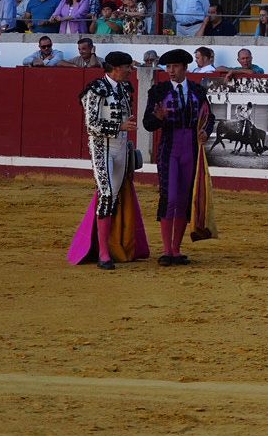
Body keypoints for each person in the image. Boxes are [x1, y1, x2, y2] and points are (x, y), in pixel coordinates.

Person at [66, 52, 148, 270]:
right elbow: (91, 125)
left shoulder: (124, 88)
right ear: (115, 68)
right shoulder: (95, 89)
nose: (130, 70)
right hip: (102, 147)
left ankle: (111, 246)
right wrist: (120, 127)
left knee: (115, 195)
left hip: (121, 147)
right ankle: (103, 253)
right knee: (106, 194)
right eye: (127, 67)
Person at [141, 49, 217, 267]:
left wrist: (205, 132)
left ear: (185, 68)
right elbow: (148, 124)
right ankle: (166, 250)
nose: (170, 71)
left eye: (174, 67)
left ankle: (176, 249)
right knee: (170, 197)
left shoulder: (197, 90)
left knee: (183, 199)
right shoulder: (158, 91)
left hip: (191, 148)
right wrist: (157, 117)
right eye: (167, 67)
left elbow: (209, 117)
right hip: (169, 147)